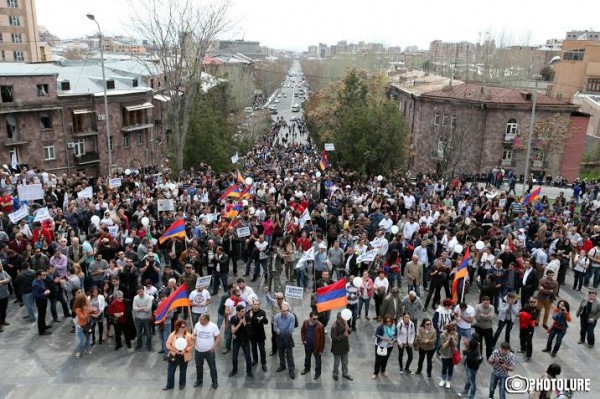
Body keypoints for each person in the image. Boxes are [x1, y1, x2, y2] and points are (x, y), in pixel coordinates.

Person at [163, 319, 194, 391]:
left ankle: (182, 384)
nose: (184, 328)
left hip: (184, 356)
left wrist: (185, 350)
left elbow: (191, 344)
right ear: (178, 327)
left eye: (185, 326)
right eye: (182, 326)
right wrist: (175, 350)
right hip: (174, 355)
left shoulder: (188, 335)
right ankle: (169, 385)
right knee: (170, 371)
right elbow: (167, 344)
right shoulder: (172, 335)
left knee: (183, 371)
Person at [192, 313, 221, 390]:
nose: (199, 320)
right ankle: (199, 380)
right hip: (198, 350)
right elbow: (194, 334)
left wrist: (214, 346)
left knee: (212, 367)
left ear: (206, 320)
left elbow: (218, 337)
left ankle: (215, 382)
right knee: (198, 366)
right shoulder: (197, 325)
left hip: (209, 351)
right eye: (200, 319)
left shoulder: (213, 326)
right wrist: (193, 337)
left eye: (201, 319)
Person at [229, 304, 254, 378]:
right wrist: (240, 324)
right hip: (237, 340)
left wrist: (246, 324)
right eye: (242, 311)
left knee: (248, 357)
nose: (244, 312)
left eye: (244, 311)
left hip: (245, 340)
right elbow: (233, 331)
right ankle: (234, 370)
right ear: (237, 312)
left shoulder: (247, 317)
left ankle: (249, 371)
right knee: (234, 357)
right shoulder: (233, 318)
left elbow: (250, 332)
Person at [273, 303, 296, 379]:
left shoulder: (292, 316)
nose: (285, 312)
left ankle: (291, 369)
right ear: (280, 310)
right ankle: (282, 365)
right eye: (283, 311)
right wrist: (280, 331)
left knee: (289, 354)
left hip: (288, 337)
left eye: (286, 311)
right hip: (279, 337)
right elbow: (275, 328)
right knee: (280, 353)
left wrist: (281, 331)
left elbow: (291, 329)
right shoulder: (276, 317)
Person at [301, 311, 325, 380]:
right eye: (314, 319)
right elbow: (302, 331)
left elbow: (322, 339)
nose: (316, 320)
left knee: (318, 360)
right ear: (310, 318)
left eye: (317, 318)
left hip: (316, 347)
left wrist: (321, 350)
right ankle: (307, 368)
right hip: (307, 345)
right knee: (307, 358)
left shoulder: (320, 326)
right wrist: (303, 340)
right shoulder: (305, 322)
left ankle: (318, 373)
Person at [246, 298, 268, 372]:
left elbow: (266, 321)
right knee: (254, 348)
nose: (256, 306)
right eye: (254, 304)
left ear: (259, 305)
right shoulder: (249, 312)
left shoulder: (262, 312)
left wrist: (261, 319)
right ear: (252, 305)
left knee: (262, 350)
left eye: (257, 304)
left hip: (260, 334)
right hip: (252, 335)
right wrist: (257, 319)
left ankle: (263, 363)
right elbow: (247, 321)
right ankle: (255, 360)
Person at [330, 312, 353, 381]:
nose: (344, 320)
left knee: (345, 362)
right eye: (342, 319)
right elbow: (334, 339)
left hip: (345, 347)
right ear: (338, 319)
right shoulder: (334, 327)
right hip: (337, 349)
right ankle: (335, 374)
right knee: (336, 363)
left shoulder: (344, 323)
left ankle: (345, 373)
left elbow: (349, 332)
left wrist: (348, 329)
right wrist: (343, 336)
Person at [373, 315, 396, 379]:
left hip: (389, 345)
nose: (388, 322)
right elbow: (376, 334)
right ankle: (375, 372)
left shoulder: (394, 327)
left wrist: (394, 340)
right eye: (386, 321)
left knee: (385, 358)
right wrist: (382, 338)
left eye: (389, 321)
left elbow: (395, 335)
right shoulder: (381, 326)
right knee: (378, 359)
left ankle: (383, 370)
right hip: (381, 344)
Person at [132, 285, 153, 351]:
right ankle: (139, 345)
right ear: (137, 292)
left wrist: (139, 308)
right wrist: (143, 307)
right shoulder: (135, 298)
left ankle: (149, 345)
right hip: (138, 318)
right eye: (139, 292)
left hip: (147, 318)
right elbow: (134, 309)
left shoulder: (149, 298)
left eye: (141, 291)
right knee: (138, 333)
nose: (140, 293)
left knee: (148, 333)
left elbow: (148, 309)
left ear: (143, 290)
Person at [73, 291, 93, 358]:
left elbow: (89, 312)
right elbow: (83, 317)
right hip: (81, 327)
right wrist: (88, 311)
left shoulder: (86, 305)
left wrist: (91, 310)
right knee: (80, 341)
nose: (86, 300)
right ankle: (78, 352)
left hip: (88, 324)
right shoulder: (77, 309)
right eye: (85, 299)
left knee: (88, 338)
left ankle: (88, 349)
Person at [519, 296, 539, 361]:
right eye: (531, 301)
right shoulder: (525, 306)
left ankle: (529, 355)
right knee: (522, 337)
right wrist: (526, 314)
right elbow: (520, 312)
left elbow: (533, 317)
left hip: (530, 327)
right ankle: (523, 348)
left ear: (536, 302)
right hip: (523, 325)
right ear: (529, 301)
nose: (532, 303)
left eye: (534, 302)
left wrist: (524, 314)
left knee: (529, 340)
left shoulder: (536, 309)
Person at [32, 269, 51, 335]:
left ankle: (44, 326)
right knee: (41, 316)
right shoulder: (35, 284)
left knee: (43, 314)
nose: (45, 276)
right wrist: (44, 293)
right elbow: (36, 296)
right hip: (40, 301)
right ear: (38, 276)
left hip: (44, 300)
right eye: (43, 275)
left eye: (45, 274)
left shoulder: (41, 280)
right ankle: (41, 331)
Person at [438, 323, 458, 389]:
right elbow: (443, 346)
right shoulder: (442, 335)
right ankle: (443, 379)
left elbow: (456, 345)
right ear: (448, 331)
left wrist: (453, 339)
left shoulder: (456, 334)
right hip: (445, 355)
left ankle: (448, 381)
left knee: (451, 368)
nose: (453, 333)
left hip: (452, 354)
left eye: (454, 331)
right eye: (452, 332)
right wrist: (448, 340)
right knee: (444, 367)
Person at [0, 263, 10, 331]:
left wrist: (1, 282)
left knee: (4, 309)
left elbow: (9, 278)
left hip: (5, 294)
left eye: (0, 266)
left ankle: (3, 320)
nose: (0, 268)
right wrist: (5, 281)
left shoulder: (4, 272)